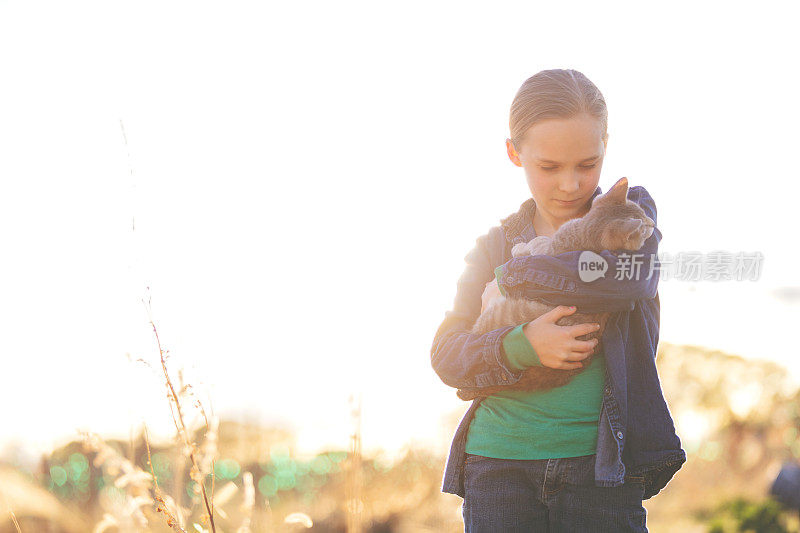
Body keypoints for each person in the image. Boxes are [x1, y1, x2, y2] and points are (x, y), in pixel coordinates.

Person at [430, 69, 686, 532]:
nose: (570, 184)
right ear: (514, 152)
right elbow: (447, 354)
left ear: (606, 143)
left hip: (601, 472)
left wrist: (516, 274)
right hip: (498, 466)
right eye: (549, 167)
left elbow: (626, 281)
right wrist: (522, 343)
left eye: (587, 164)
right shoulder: (492, 245)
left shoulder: (629, 212)